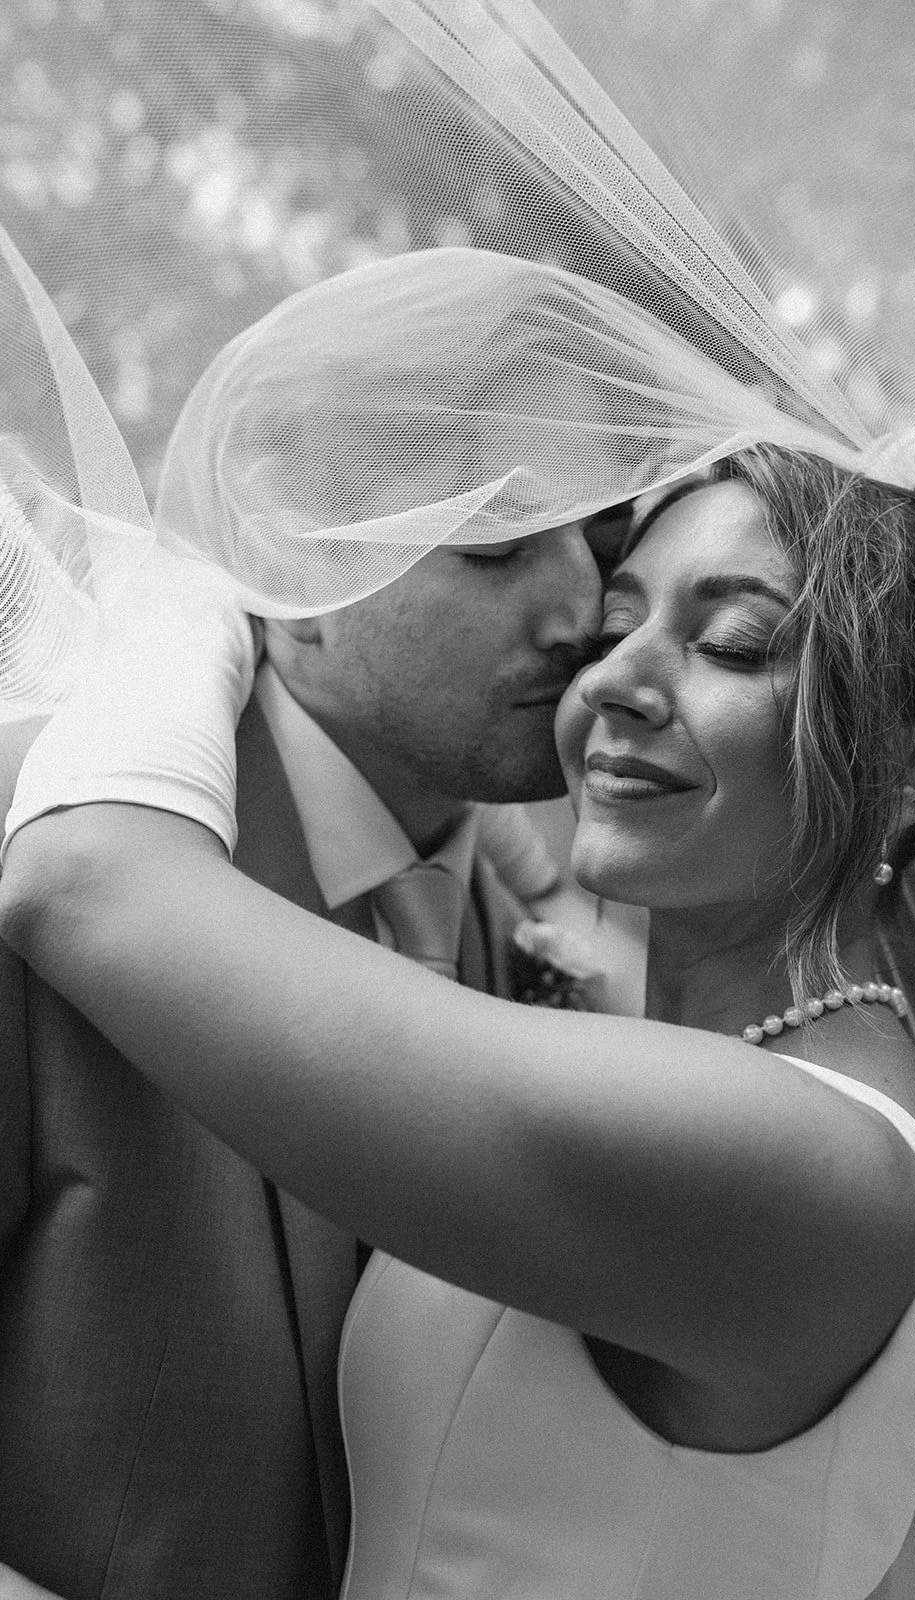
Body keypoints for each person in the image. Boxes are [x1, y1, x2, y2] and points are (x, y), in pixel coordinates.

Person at [0, 431, 915, 1598]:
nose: (605, 682)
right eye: (616, 627)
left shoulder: (805, 1162)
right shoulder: (688, 1056)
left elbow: (87, 879)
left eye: (730, 643)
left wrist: (201, 600)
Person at [0, 248, 605, 1600]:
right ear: (292, 557)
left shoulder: (536, 934)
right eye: (498, 542)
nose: (582, 612)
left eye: (598, 534)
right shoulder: (45, 828)